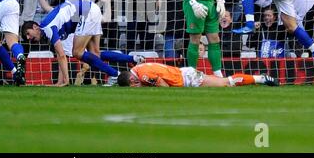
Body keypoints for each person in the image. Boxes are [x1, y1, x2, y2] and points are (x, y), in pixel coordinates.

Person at [21, 0, 145, 87]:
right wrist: (60, 82)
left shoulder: (47, 28)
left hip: (85, 13)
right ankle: (133, 59)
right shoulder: (50, 29)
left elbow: (62, 56)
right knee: (95, 54)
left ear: (36, 27)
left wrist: (66, 81)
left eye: (28, 33)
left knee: (77, 52)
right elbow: (60, 57)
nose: (28, 38)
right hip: (90, 10)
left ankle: (115, 74)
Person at [117, 63, 279, 87]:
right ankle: (260, 78)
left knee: (225, 83)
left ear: (132, 80)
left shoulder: (143, 75)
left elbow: (163, 85)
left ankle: (261, 78)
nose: (136, 86)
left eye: (134, 85)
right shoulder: (139, 67)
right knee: (224, 82)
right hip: (184, 73)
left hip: (187, 78)